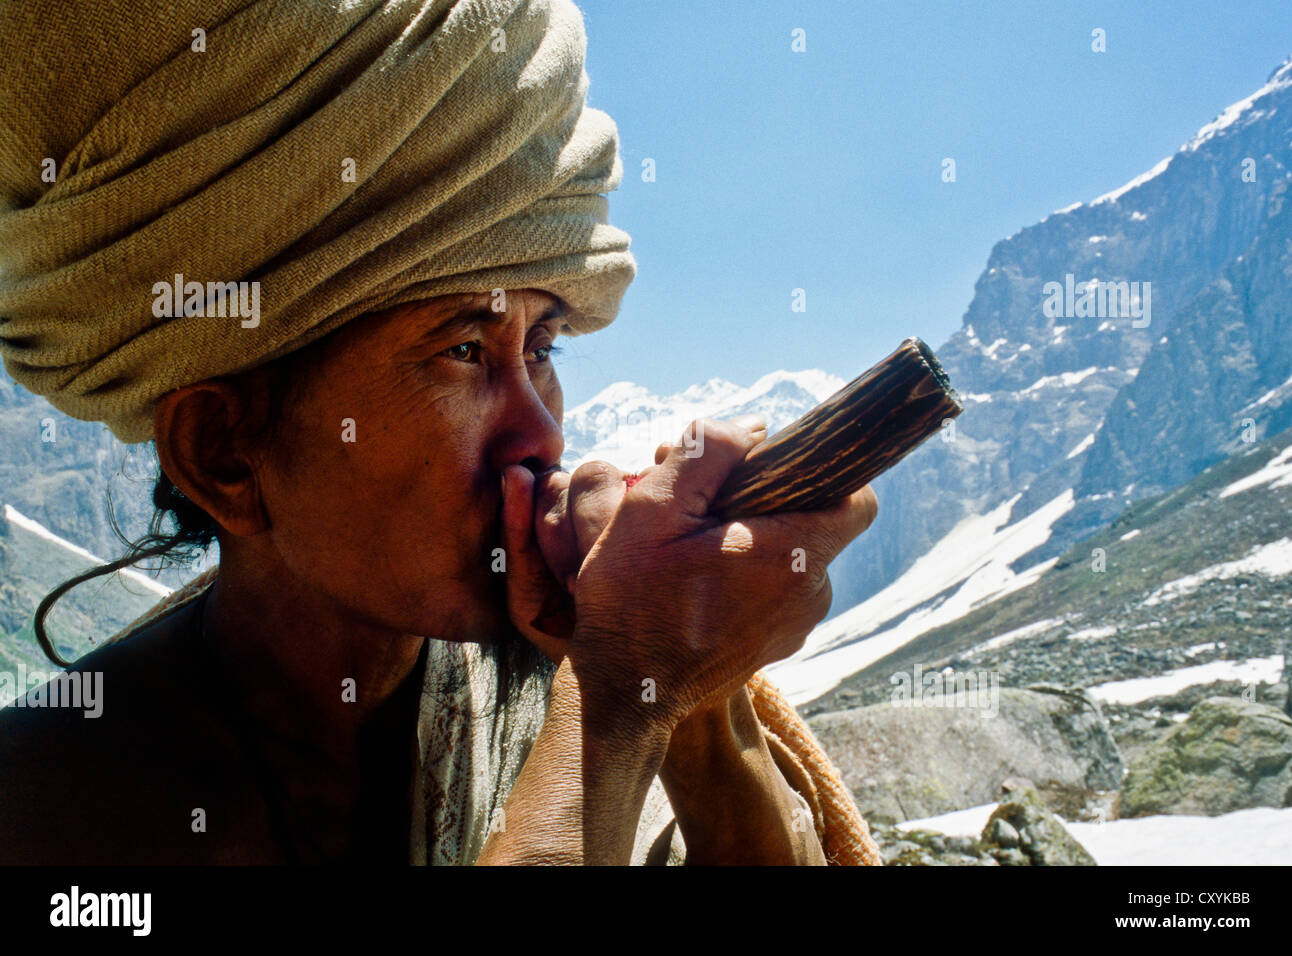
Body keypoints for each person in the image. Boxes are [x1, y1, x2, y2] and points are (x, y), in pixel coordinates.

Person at [0, 0, 881, 865]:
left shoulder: (564, 686)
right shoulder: (46, 806)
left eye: (541, 347)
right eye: (463, 351)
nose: (539, 436)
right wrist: (617, 702)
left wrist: (692, 709)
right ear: (222, 453)